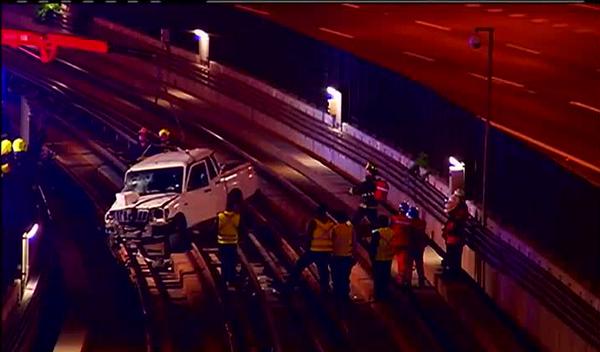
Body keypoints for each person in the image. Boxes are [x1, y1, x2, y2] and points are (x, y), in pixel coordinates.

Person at [289, 204, 334, 293]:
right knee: (323, 271)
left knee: (299, 266)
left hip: (314, 250)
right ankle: (325, 290)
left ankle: (290, 285)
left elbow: (309, 236)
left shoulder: (314, 222)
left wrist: (306, 247)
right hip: (326, 252)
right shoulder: (331, 224)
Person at [217, 189, 245, 285]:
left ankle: (224, 279)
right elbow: (241, 230)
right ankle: (231, 278)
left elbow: (215, 230)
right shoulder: (237, 217)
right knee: (232, 262)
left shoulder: (220, 216)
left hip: (222, 244)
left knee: (224, 262)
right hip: (232, 244)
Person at [442, 194, 468, 276]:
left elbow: (448, 230)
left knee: (451, 259)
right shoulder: (459, 218)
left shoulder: (453, 221)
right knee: (456, 260)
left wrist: (445, 233)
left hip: (452, 242)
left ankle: (451, 274)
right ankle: (455, 273)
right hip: (457, 241)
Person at [331, 211, 355, 299]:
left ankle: (336, 293)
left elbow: (331, 241)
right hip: (347, 256)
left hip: (336, 256)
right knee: (345, 276)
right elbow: (354, 243)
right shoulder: (350, 228)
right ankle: (345, 294)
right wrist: (353, 255)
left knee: (336, 275)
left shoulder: (335, 228)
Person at [370, 215, 395, 300]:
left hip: (378, 258)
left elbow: (373, 246)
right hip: (389, 258)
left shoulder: (377, 233)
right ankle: (385, 294)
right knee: (386, 277)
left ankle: (378, 295)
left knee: (378, 278)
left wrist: (372, 257)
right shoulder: (392, 232)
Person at [349, 162, 378, 228]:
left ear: (369, 171)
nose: (366, 171)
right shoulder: (376, 182)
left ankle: (347, 231)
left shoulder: (368, 181)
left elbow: (360, 188)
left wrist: (352, 190)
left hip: (365, 206)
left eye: (367, 170)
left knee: (354, 220)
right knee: (374, 224)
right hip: (373, 206)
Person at [390, 201, 412, 287]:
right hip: (404, 243)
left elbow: (391, 227)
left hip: (393, 242)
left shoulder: (394, 218)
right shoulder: (409, 221)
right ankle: (401, 280)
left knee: (387, 259)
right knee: (402, 262)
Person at [407, 206, 428, 288]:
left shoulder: (410, 224)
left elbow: (408, 235)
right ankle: (421, 282)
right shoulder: (422, 223)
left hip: (411, 246)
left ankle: (408, 282)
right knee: (419, 265)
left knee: (409, 265)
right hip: (420, 247)